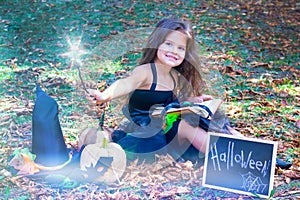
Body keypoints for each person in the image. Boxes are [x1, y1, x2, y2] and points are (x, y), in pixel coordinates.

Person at [88, 18, 292, 168]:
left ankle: (261, 153)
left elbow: (170, 105)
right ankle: (241, 160)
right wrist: (105, 95)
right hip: (146, 136)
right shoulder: (146, 71)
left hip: (163, 131)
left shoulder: (175, 77)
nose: (173, 51)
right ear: (157, 43)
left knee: (210, 120)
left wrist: (193, 102)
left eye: (180, 48)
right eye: (168, 44)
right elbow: (125, 84)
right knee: (186, 126)